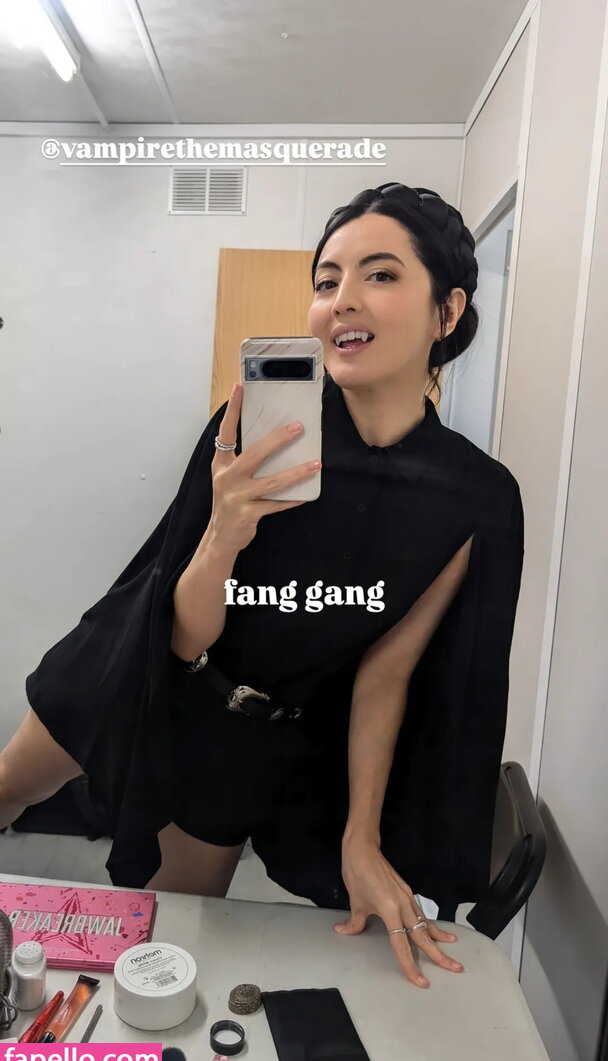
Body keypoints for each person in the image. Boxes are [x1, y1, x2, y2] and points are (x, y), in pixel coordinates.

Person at [0, 183, 524, 989]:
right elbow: (180, 635)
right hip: (132, 667)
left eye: (381, 275)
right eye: (327, 280)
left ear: (446, 311)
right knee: (6, 788)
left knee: (168, 940)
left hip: (247, 739)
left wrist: (361, 836)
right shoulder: (258, 431)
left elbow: (387, 672)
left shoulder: (472, 497)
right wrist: (224, 532)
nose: (342, 301)